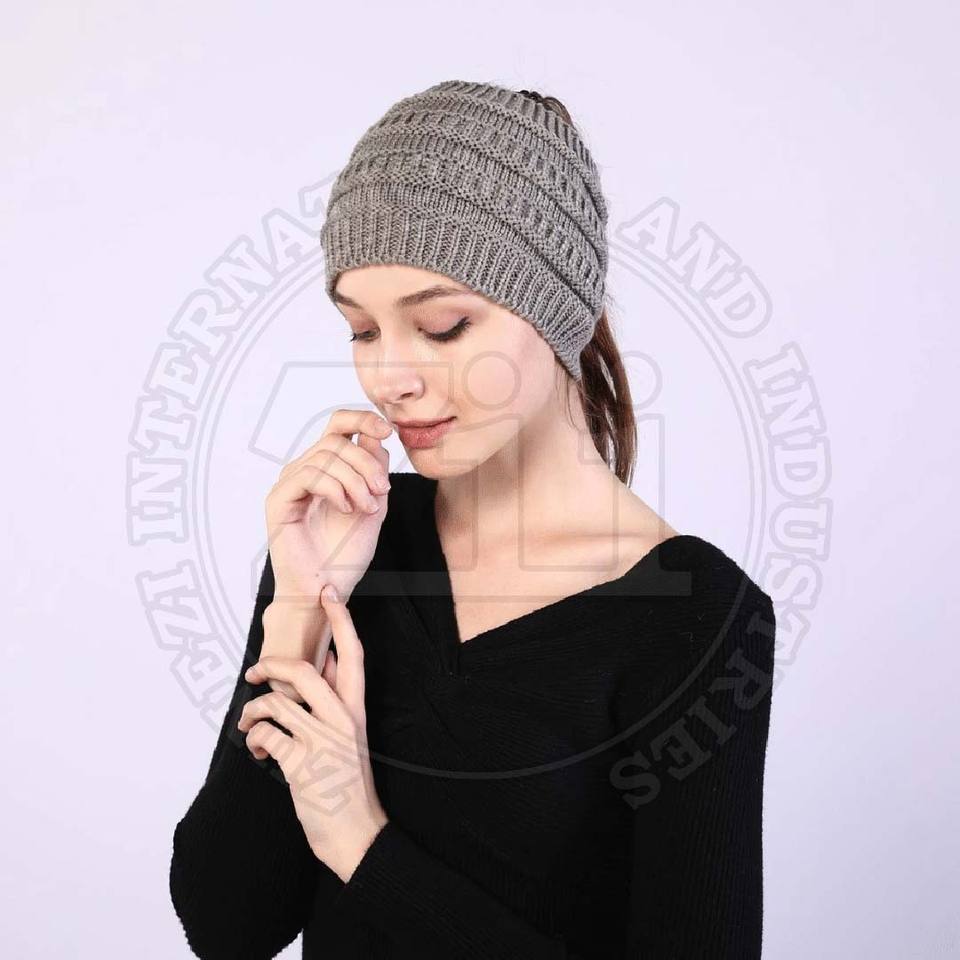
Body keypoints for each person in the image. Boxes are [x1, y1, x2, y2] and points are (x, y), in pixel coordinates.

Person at [169, 79, 777, 959]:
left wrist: (364, 846)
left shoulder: (694, 618)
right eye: (362, 330)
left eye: (444, 326)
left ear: (558, 310)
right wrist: (298, 612)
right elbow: (228, 926)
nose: (391, 377)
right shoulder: (352, 542)